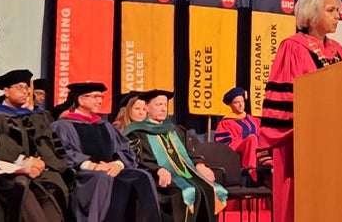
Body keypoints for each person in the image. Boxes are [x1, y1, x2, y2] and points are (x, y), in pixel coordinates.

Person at [259, 0, 342, 222]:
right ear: (311, 14)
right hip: (299, 145)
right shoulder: (292, 48)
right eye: (331, 10)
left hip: (335, 143)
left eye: (338, 10)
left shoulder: (339, 51)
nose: (338, 16)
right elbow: (283, 99)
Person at [51, 82, 161, 222]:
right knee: (104, 178)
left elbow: (124, 149)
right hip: (85, 174)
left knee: (141, 176)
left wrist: (118, 164)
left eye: (101, 97)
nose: (99, 100)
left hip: (110, 169)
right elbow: (62, 152)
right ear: (81, 100)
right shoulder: (62, 126)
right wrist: (92, 165)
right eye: (95, 96)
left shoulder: (105, 125)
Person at [0, 68, 70, 222]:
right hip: (8, 172)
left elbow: (50, 144)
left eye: (26, 88)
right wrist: (23, 163)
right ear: (6, 91)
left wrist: (41, 162)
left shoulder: (39, 116)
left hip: (40, 171)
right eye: (19, 88)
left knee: (55, 185)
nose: (25, 92)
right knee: (21, 189)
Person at [124, 89, 227, 222]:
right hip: (156, 178)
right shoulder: (137, 133)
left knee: (211, 189)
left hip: (186, 174)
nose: (163, 109)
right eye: (158, 105)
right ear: (147, 107)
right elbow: (137, 160)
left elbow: (191, 152)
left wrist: (200, 165)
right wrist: (158, 169)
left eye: (165, 105)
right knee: (185, 192)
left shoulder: (176, 130)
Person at [213, 87, 269, 182]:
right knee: (252, 138)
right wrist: (247, 143)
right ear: (230, 105)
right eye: (236, 102)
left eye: (242, 101)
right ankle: (250, 170)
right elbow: (225, 145)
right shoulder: (225, 123)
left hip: (259, 154)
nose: (240, 105)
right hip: (238, 156)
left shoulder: (254, 120)